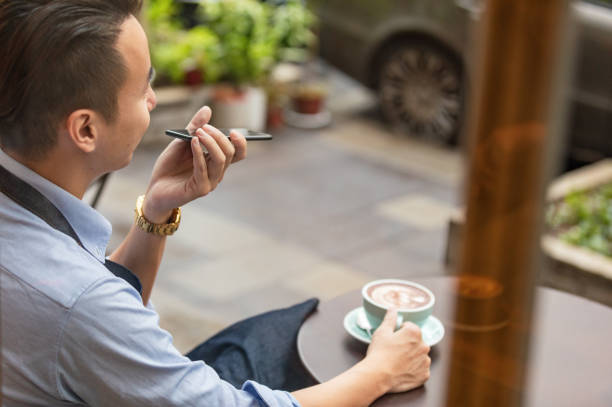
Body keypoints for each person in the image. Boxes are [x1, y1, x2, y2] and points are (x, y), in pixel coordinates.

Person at [0, 1, 431, 406]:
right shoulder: (79, 302)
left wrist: (157, 210)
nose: (152, 100)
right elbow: (91, 315)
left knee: (280, 330)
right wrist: (383, 372)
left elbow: (101, 318)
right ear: (86, 129)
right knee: (302, 346)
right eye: (143, 87)